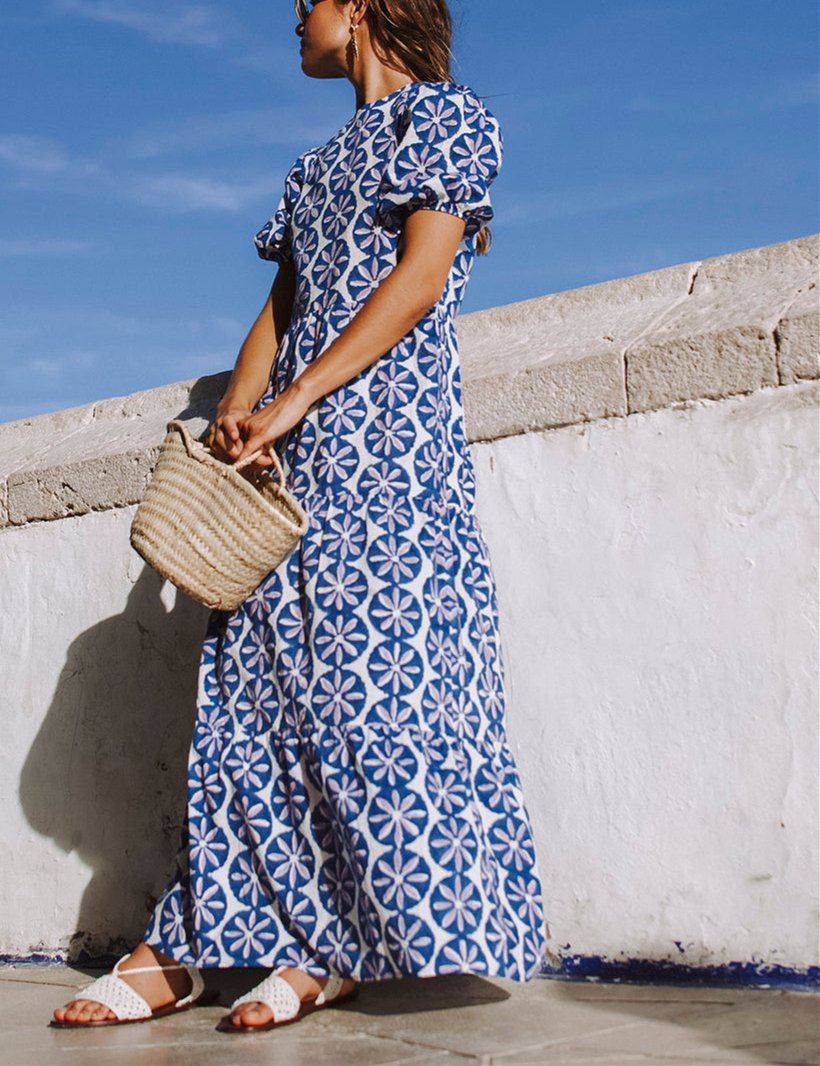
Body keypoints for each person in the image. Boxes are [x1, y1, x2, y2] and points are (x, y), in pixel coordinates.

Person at [52, 0, 548, 1033]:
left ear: (360, 8)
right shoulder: (318, 163)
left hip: (390, 457)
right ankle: (190, 945)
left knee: (371, 700)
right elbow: (279, 310)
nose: (293, 16)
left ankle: (330, 946)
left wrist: (293, 400)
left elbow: (418, 280)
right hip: (289, 464)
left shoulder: (448, 122)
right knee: (255, 704)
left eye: (309, 1)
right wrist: (241, 406)